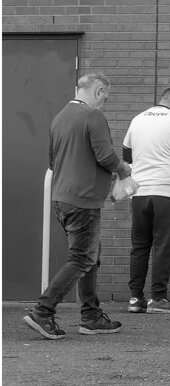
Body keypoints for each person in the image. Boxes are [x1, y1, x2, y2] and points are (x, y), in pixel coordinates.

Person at [23, 73, 133, 340]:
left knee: (90, 258)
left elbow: (52, 161)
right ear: (97, 91)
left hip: (62, 198)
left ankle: (91, 316)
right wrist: (124, 170)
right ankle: (43, 311)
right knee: (82, 259)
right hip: (84, 200)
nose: (104, 102)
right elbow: (105, 155)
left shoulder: (60, 117)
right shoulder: (92, 116)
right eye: (105, 97)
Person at [123, 87, 170, 314]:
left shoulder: (137, 119)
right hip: (166, 192)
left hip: (140, 193)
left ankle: (135, 299)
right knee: (164, 246)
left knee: (140, 246)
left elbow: (127, 155)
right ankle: (158, 298)